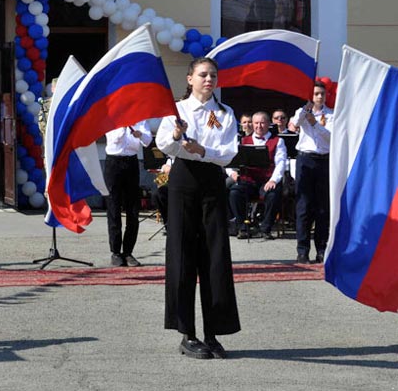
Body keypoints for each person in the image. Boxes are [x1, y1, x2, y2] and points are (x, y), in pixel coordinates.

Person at [156, 57, 239, 360]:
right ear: (190, 78)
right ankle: (186, 333)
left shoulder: (225, 113)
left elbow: (229, 153)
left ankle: (213, 333)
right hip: (183, 181)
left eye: (213, 75)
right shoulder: (177, 110)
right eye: (203, 75)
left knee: (215, 257)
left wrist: (204, 150)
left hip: (212, 182)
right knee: (182, 254)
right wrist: (178, 136)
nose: (209, 79)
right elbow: (163, 143)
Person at [289, 81, 333, 264]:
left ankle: (321, 249)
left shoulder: (331, 114)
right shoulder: (303, 111)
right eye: (316, 94)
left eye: (322, 94)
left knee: (323, 208)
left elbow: (331, 137)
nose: (319, 97)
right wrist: (304, 110)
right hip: (305, 159)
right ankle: (302, 250)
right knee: (303, 206)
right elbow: (294, 124)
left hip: (324, 160)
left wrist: (315, 123)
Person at [228, 111, 287, 240]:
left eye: (262, 123)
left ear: (268, 124)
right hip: (248, 181)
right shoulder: (243, 140)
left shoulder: (278, 141)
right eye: (256, 123)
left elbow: (281, 163)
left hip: (267, 180)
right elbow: (230, 159)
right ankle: (242, 228)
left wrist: (273, 180)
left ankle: (265, 229)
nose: (259, 126)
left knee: (273, 194)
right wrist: (232, 172)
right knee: (234, 193)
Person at [103, 120, 153, 267]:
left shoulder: (140, 119)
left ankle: (128, 252)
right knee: (114, 207)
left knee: (133, 210)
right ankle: (116, 252)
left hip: (131, 162)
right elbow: (114, 139)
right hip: (113, 162)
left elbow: (148, 141)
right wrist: (123, 127)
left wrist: (140, 134)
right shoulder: (112, 117)